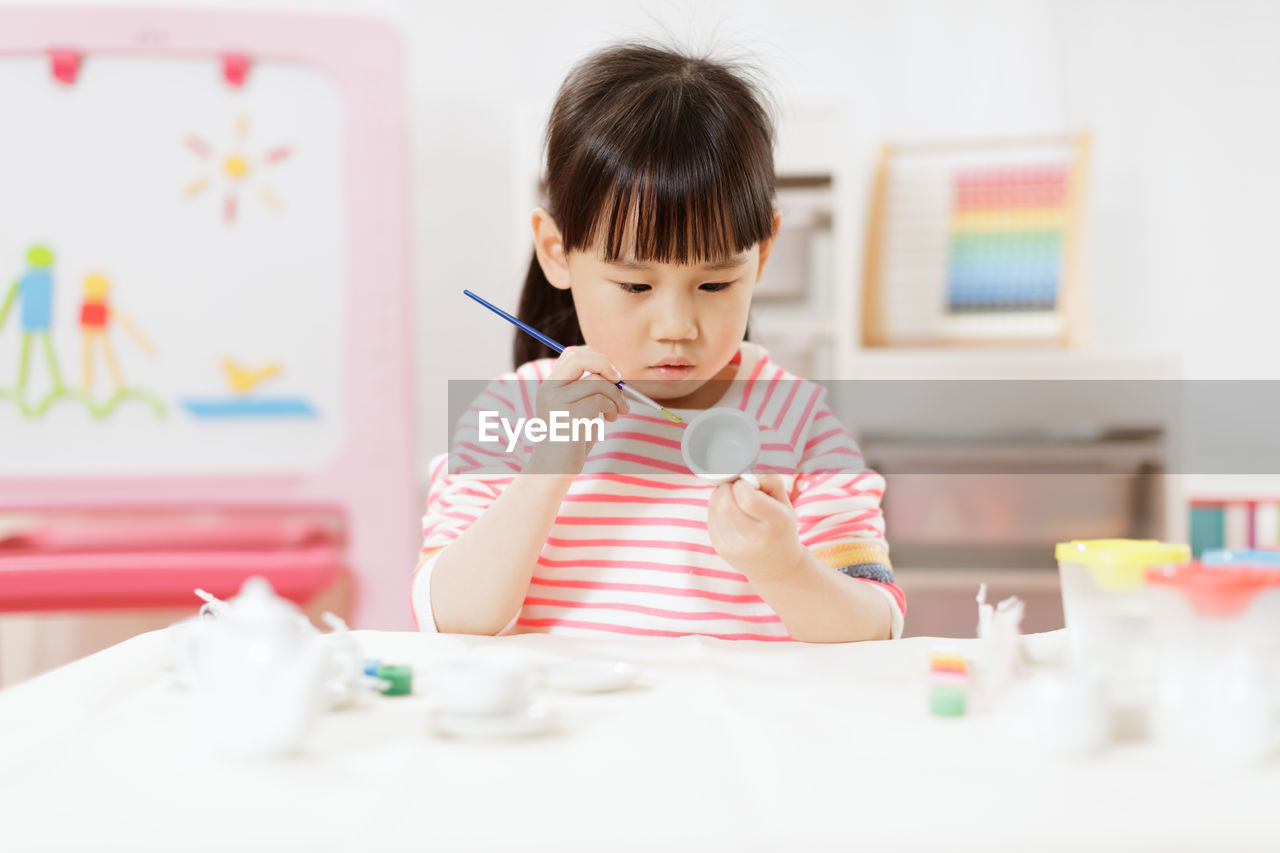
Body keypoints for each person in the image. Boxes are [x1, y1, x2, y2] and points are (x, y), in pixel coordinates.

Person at [415, 42, 904, 642]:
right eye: (636, 283)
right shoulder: (508, 417)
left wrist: (785, 568)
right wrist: (548, 467)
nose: (677, 325)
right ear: (557, 252)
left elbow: (876, 631)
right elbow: (450, 620)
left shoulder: (800, 424)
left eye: (716, 282)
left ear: (765, 253)